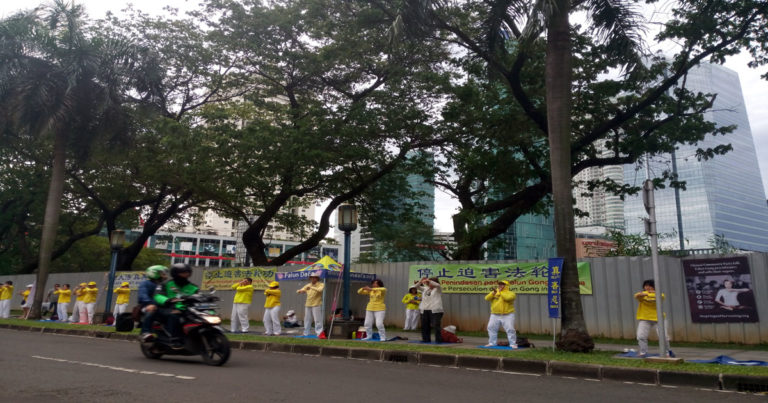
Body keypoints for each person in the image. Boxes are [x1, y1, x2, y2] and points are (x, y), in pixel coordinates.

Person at [154, 263, 199, 349]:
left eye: (187, 272)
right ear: (175, 273)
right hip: (168, 307)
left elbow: (199, 296)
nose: (186, 274)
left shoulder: (193, 287)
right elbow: (157, 295)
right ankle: (175, 339)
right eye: (183, 273)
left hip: (187, 309)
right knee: (174, 315)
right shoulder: (166, 284)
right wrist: (167, 300)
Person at [634, 279, 670, 357]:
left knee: (663, 336)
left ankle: (667, 352)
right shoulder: (642, 295)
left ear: (655, 287)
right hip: (645, 318)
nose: (648, 287)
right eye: (646, 286)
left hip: (659, 318)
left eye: (650, 286)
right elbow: (636, 295)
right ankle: (643, 352)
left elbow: (661, 296)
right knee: (641, 336)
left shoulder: (660, 294)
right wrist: (645, 294)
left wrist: (650, 294)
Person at [138, 265, 168, 342]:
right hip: (147, 306)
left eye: (164, 273)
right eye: (162, 273)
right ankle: (145, 332)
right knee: (152, 310)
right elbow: (143, 295)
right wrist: (150, 303)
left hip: (164, 306)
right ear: (154, 273)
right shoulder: (145, 283)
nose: (164, 275)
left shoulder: (166, 284)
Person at [484, 280, 517, 348]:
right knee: (491, 328)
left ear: (506, 286)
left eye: (502, 284)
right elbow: (486, 298)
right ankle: (492, 343)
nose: (500, 286)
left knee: (510, 329)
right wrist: (492, 293)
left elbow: (508, 298)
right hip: (495, 314)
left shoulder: (511, 293)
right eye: (499, 284)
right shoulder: (495, 292)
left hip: (507, 314)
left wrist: (500, 292)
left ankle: (513, 344)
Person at [417, 277, 444, 343]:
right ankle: (425, 339)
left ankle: (438, 340)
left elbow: (437, 285)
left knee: (436, 325)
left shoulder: (438, 289)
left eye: (429, 282)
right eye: (428, 283)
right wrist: (420, 281)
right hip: (424, 309)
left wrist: (429, 280)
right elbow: (416, 286)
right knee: (424, 325)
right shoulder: (425, 289)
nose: (428, 284)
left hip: (435, 310)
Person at [297, 273, 325, 337]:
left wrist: (311, 287)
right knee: (307, 319)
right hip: (308, 304)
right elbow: (299, 290)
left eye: (314, 277)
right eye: (311, 277)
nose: (312, 279)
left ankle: (319, 333)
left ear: (317, 278)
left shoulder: (321, 284)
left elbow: (320, 290)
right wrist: (300, 291)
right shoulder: (308, 285)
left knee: (317, 319)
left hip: (316, 304)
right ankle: (305, 333)